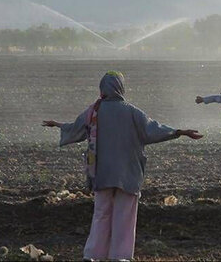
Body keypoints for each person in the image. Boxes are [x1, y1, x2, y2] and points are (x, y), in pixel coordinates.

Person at [43, 71, 202, 260]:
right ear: (121, 88)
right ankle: (120, 256)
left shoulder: (94, 111)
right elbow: (153, 130)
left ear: (102, 89)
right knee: (124, 216)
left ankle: (93, 254)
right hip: (128, 174)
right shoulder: (132, 111)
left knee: (101, 213)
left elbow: (76, 127)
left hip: (101, 173)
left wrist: (58, 125)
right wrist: (179, 132)